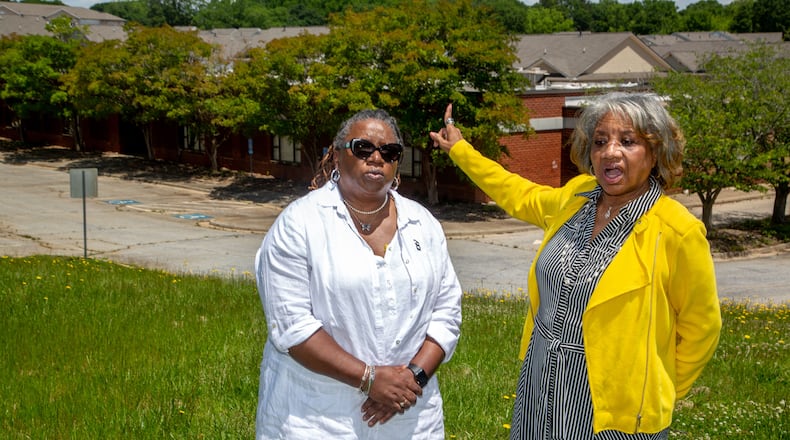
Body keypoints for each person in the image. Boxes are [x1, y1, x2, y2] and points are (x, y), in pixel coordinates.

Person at [429, 92, 722, 439]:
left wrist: (656, 390)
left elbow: (702, 327)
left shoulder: (676, 230)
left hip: (616, 408)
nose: (610, 151)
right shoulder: (576, 197)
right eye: (601, 141)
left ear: (655, 151)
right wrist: (461, 151)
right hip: (541, 388)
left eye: (627, 141)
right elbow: (516, 192)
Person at [254, 109, 463, 439]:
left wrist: (411, 380)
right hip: (317, 418)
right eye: (363, 148)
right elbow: (292, 326)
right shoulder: (300, 224)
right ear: (337, 156)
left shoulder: (423, 224)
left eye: (389, 152)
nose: (377, 158)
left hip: (408, 417)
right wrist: (370, 379)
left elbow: (447, 313)